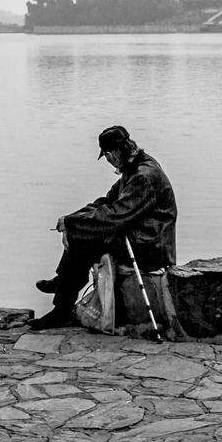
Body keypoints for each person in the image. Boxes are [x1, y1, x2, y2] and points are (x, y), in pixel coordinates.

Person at [29, 125, 178, 330]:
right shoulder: (133, 168)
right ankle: (62, 284)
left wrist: (73, 225)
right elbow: (106, 201)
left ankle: (61, 306)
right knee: (81, 235)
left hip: (150, 245)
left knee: (84, 241)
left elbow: (115, 215)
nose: (108, 161)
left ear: (114, 152)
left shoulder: (144, 176)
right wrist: (72, 219)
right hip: (138, 235)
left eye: (107, 155)